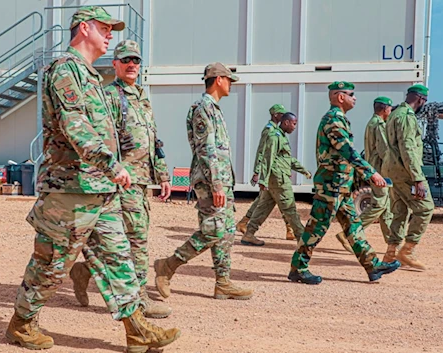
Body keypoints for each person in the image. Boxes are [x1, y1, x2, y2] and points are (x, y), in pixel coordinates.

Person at [5, 7, 180, 352]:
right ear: (84, 29)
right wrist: (111, 164)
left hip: (100, 189)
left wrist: (112, 171)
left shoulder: (91, 77)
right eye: (105, 28)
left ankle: (137, 330)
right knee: (52, 263)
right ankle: (22, 323)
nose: (110, 34)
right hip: (71, 190)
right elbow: (75, 127)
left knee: (118, 259)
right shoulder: (65, 71)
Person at [69, 40, 172, 319]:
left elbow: (153, 140)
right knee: (135, 240)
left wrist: (161, 174)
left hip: (142, 180)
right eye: (126, 60)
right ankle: (139, 298)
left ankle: (83, 272)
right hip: (122, 181)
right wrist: (112, 174)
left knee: (126, 239)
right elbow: (102, 139)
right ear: (114, 64)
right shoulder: (109, 97)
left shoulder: (141, 97)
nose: (132, 65)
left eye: (136, 61)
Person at [153, 62, 253, 300]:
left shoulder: (214, 109)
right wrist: (216, 184)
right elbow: (206, 149)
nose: (230, 85)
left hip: (221, 180)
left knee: (227, 232)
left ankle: (223, 283)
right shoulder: (202, 108)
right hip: (210, 181)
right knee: (212, 230)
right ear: (218, 79)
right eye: (229, 80)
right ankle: (168, 266)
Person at [288, 81, 401, 285]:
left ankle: (372, 264)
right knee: (317, 227)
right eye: (351, 94)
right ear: (340, 97)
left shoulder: (340, 119)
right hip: (331, 185)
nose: (355, 98)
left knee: (353, 226)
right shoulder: (333, 120)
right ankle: (298, 268)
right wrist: (371, 173)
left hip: (342, 186)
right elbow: (347, 151)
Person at [240, 112, 312, 246]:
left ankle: (249, 234)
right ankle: (302, 238)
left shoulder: (282, 137)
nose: (295, 127)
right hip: (279, 180)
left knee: (263, 208)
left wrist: (304, 171)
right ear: (286, 123)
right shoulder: (274, 137)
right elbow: (268, 158)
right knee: (290, 209)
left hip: (275, 179)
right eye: (294, 123)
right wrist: (262, 179)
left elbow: (287, 159)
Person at [383, 84, 434, 270]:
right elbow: (408, 149)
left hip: (393, 171)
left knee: (400, 211)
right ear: (421, 99)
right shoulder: (406, 117)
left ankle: (390, 254)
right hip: (405, 172)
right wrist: (418, 178)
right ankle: (408, 250)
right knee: (425, 207)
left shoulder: (395, 113)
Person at [334, 97, 394, 254]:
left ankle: (392, 243)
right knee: (380, 204)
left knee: (386, 207)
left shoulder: (371, 122)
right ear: (385, 109)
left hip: (373, 168)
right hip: (380, 170)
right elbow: (384, 151)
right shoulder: (379, 125)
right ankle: (349, 233)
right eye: (389, 109)